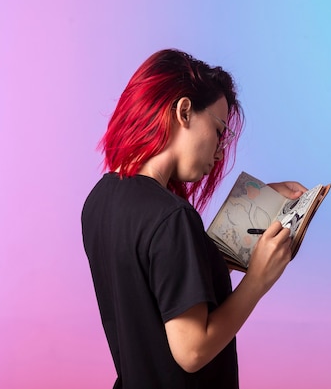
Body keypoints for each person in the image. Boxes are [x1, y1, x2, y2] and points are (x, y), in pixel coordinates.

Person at [81, 48, 306, 389]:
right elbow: (193, 350)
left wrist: (250, 213)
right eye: (219, 131)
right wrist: (258, 279)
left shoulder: (100, 199)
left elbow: (160, 281)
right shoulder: (172, 217)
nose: (219, 152)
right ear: (184, 111)